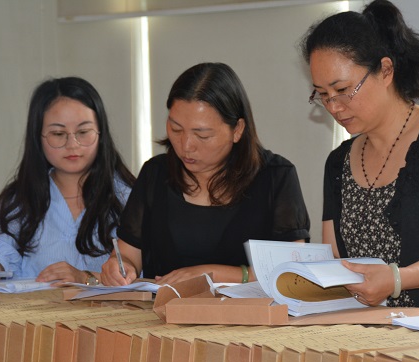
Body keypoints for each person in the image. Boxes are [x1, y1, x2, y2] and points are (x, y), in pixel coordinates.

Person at [300, 0, 419, 311]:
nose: (334, 106)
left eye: (343, 89)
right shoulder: (338, 162)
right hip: (367, 324)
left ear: (385, 71)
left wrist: (396, 279)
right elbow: (334, 258)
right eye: (323, 94)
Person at [101, 62, 310, 286]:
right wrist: (120, 266)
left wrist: (211, 274)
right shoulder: (155, 173)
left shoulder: (276, 177)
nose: (186, 146)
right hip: (164, 307)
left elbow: (291, 272)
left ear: (237, 130)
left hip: (246, 309)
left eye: (202, 135)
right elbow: (129, 254)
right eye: (176, 129)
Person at [0, 77, 135, 292]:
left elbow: (140, 273)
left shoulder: (128, 197)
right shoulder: (23, 198)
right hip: (33, 312)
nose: (72, 144)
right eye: (58, 134)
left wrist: (85, 277)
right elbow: (1, 245)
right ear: (38, 137)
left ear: (101, 133)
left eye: (83, 132)